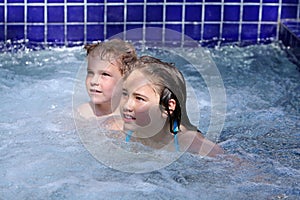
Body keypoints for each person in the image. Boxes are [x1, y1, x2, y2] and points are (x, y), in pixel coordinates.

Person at [115, 55, 224, 157]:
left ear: (168, 106)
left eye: (139, 98)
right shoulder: (121, 130)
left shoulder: (189, 142)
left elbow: (237, 167)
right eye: (125, 94)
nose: (127, 106)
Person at [77, 39, 137, 119]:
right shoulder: (82, 113)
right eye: (91, 73)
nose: (93, 81)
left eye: (105, 74)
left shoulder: (136, 115)